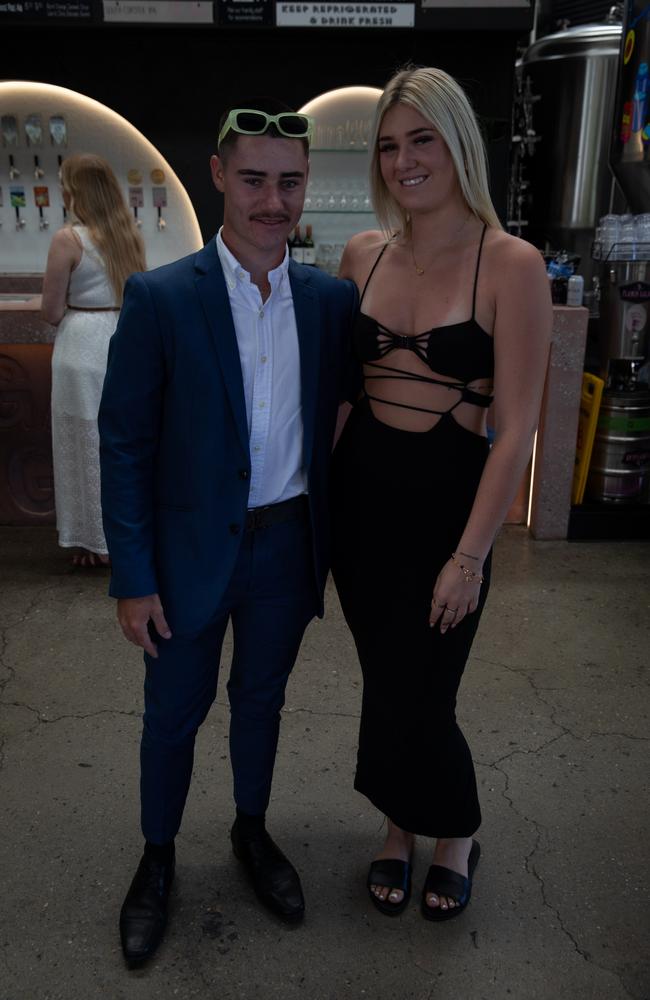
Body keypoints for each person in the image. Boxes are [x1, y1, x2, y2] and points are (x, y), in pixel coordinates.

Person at [98, 98, 357, 965]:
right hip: (186, 553)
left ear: (306, 185)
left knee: (261, 701)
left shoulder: (330, 301)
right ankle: (157, 856)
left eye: (289, 182)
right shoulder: (162, 298)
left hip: (286, 545)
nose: (272, 201)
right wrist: (133, 574)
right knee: (173, 713)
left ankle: (251, 830)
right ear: (218, 177)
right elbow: (126, 443)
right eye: (254, 180)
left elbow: (342, 416)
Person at [331, 66, 552, 921]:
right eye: (390, 145)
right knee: (386, 680)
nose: (404, 160)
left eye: (422, 139)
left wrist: (471, 555)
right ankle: (399, 826)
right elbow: (341, 396)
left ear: (460, 143)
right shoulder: (363, 254)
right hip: (361, 508)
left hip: (447, 509)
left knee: (427, 686)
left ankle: (453, 830)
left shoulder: (512, 264)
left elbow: (518, 428)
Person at [41, 153, 146, 567]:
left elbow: (50, 311)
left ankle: (90, 541)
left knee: (80, 445)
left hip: (80, 346)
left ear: (74, 191)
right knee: (121, 446)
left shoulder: (68, 239)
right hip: (121, 342)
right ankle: (122, 539)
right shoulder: (128, 233)